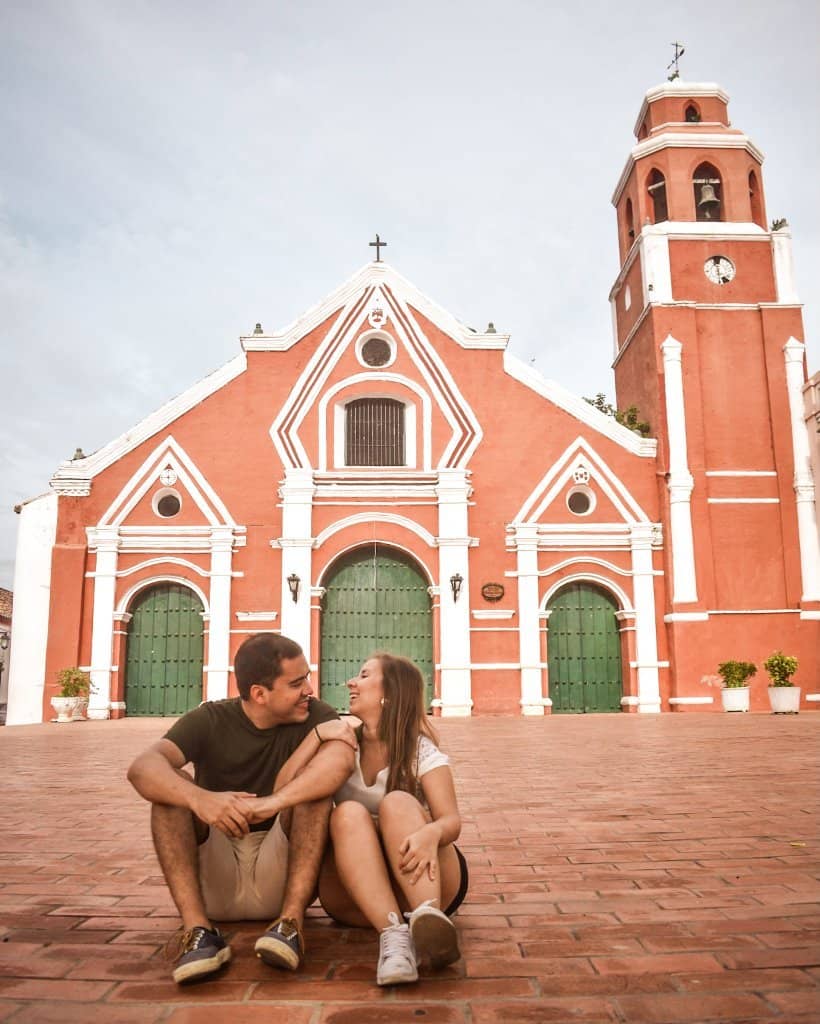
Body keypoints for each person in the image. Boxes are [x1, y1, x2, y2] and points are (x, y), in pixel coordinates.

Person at [127, 632, 357, 984]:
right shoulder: (210, 719)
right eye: (297, 683)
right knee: (169, 796)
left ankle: (291, 927)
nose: (309, 689)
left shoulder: (315, 714)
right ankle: (198, 932)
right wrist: (200, 799)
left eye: (307, 678)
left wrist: (271, 804)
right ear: (259, 694)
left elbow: (340, 761)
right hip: (215, 878)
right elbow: (143, 767)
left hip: (281, 874)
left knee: (314, 794)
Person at [318, 653, 469, 986]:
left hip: (427, 883)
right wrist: (316, 737)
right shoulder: (342, 746)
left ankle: (427, 920)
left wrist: (431, 832)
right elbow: (293, 790)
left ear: (389, 693)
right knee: (347, 813)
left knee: (398, 802)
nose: (351, 682)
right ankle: (395, 935)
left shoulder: (419, 750)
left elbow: (451, 821)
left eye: (363, 675)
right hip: (357, 898)